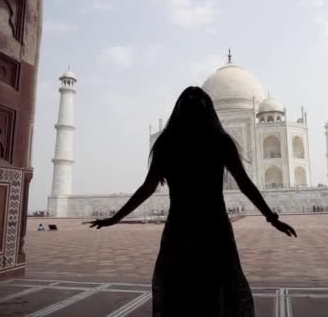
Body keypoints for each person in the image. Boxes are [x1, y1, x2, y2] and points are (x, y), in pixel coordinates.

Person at [86, 87, 297, 316]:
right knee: (217, 290)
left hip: (181, 229)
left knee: (181, 292)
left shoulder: (168, 144)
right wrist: (271, 218)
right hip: (213, 229)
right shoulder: (219, 141)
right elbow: (246, 184)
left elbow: (147, 188)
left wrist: (115, 218)